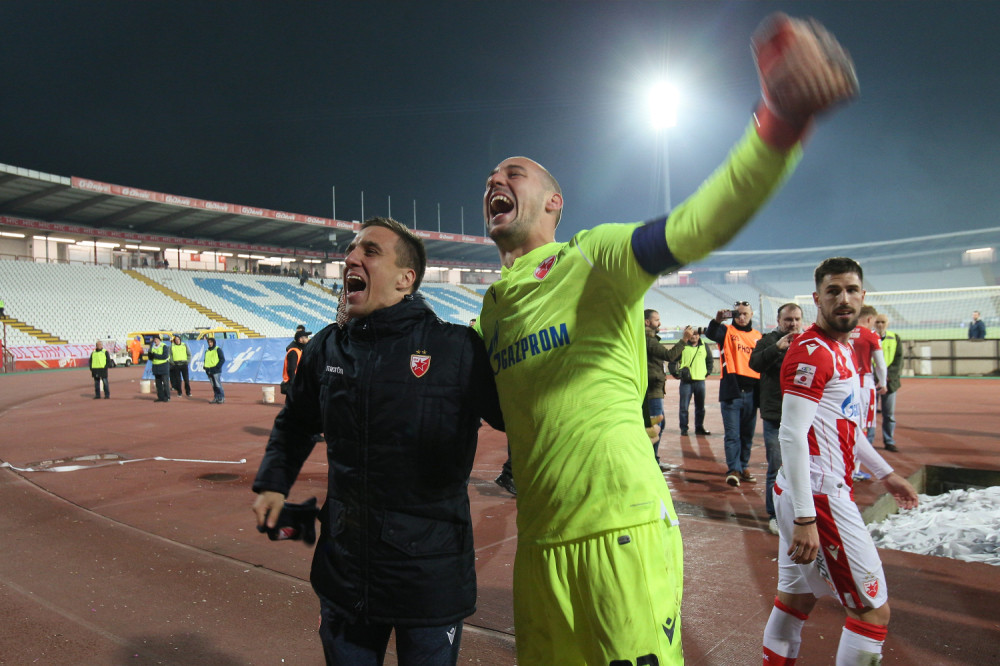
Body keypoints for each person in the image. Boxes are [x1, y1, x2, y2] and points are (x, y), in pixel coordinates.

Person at [476, 13, 859, 663]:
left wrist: (779, 124)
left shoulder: (593, 259)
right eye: (489, 178)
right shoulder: (491, 307)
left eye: (514, 172)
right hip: (538, 550)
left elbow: (696, 223)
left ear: (554, 203)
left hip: (619, 530)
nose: (495, 181)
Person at [252, 217, 504, 665]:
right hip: (345, 572)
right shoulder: (327, 347)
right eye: (351, 250)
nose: (350, 258)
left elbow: (518, 418)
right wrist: (273, 482)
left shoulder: (456, 349)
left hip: (428, 576)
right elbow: (295, 422)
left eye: (369, 251)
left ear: (406, 279)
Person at [763, 256, 918, 665]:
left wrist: (887, 475)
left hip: (803, 489)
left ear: (863, 296)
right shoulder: (812, 351)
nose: (843, 299)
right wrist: (805, 518)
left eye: (851, 290)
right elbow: (791, 433)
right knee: (871, 613)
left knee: (794, 602)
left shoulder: (845, 347)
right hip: (817, 496)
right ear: (818, 298)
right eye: (833, 291)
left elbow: (845, 424)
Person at [749, 302, 803, 535]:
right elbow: (754, 363)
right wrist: (777, 348)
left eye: (797, 319)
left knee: (804, 466)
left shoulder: (807, 342)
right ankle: (774, 515)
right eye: (788, 319)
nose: (793, 324)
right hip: (775, 415)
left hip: (802, 415)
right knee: (777, 466)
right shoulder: (768, 341)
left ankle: (801, 511)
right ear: (779, 321)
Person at [706, 300, 762, 488]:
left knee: (747, 435)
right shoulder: (726, 332)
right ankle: (734, 469)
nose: (742, 317)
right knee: (732, 435)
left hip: (753, 393)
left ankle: (744, 466)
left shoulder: (758, 337)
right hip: (732, 392)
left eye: (745, 313)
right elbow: (711, 333)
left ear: (752, 315)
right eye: (738, 313)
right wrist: (717, 320)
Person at [848, 305, 886, 474]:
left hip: (846, 383)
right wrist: (883, 383)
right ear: (869, 319)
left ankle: (846, 466)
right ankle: (854, 469)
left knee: (847, 423)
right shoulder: (871, 336)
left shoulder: (845, 332)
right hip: (864, 384)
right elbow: (880, 364)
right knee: (862, 426)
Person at [644, 310, 683, 469]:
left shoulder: (648, 339)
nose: (659, 323)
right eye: (657, 320)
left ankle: (653, 458)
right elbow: (669, 355)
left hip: (654, 388)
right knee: (655, 425)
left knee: (657, 424)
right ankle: (651, 460)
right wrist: (684, 340)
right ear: (647, 322)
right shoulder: (649, 340)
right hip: (652, 389)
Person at [674, 325, 713, 438]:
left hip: (700, 381)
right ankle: (684, 428)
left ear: (699, 335)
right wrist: (675, 373)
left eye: (696, 334)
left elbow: (709, 361)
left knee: (700, 407)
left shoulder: (704, 346)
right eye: (691, 334)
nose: (694, 336)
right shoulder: (682, 346)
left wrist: (707, 372)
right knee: (684, 407)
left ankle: (699, 427)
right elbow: (673, 360)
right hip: (686, 382)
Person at [874, 314, 903, 452]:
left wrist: (887, 376)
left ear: (888, 323)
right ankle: (869, 441)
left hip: (890, 382)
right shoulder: (870, 337)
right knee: (870, 414)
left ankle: (889, 440)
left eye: (883, 322)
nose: (880, 325)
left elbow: (899, 360)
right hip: (872, 381)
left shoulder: (894, 337)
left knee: (889, 414)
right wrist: (877, 377)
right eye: (877, 322)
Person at [281, 329, 310, 396]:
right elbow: (291, 369)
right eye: (306, 337)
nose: (308, 339)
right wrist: (294, 384)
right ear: (300, 339)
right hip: (292, 382)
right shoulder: (294, 352)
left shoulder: (299, 351)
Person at [148, 334, 171, 402]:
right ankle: (160, 397)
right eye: (154, 340)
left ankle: (167, 397)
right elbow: (151, 358)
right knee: (158, 384)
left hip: (163, 366)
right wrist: (150, 354)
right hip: (156, 367)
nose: (155, 341)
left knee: (165, 383)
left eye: (156, 339)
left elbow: (165, 356)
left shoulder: (164, 346)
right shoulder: (153, 347)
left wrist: (155, 355)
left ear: (159, 339)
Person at [204, 337, 225, 403]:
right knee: (213, 385)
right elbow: (206, 360)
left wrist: (217, 367)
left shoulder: (217, 349)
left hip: (216, 370)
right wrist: (205, 367)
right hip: (209, 370)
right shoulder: (207, 351)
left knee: (218, 384)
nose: (210, 344)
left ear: (214, 343)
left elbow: (222, 359)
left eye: (211, 342)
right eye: (209, 342)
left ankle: (221, 397)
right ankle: (216, 397)